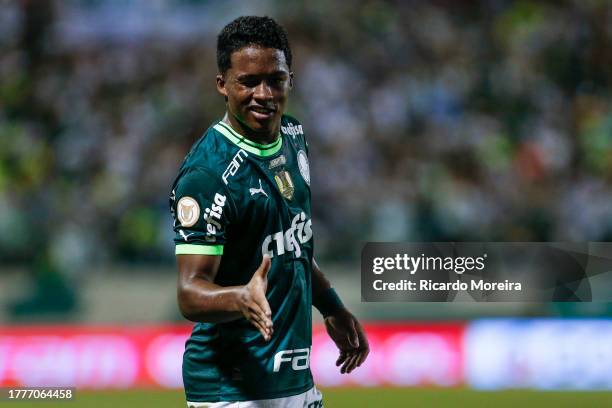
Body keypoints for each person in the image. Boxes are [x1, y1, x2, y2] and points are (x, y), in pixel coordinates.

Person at [169, 16, 369, 407]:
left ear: (290, 80)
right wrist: (239, 297)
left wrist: (333, 308)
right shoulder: (207, 175)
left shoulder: (293, 137)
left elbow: (292, 249)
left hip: (293, 379)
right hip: (232, 389)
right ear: (222, 84)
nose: (264, 94)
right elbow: (189, 292)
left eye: (275, 80)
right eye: (248, 82)